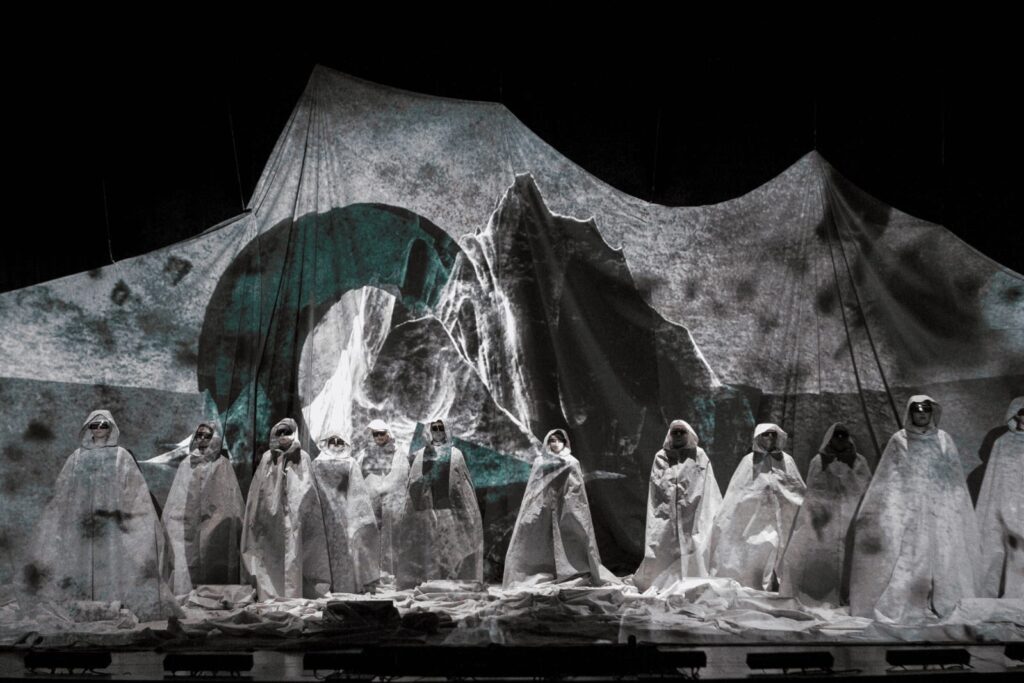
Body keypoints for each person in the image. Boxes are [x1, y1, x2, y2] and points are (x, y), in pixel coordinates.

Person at [27, 410, 179, 620]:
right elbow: (62, 491)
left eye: (103, 425)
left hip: (111, 523)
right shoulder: (76, 457)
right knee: (79, 561)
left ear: (111, 428)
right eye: (94, 425)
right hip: (82, 524)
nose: (99, 429)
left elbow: (135, 492)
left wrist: (136, 520)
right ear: (88, 428)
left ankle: (111, 602)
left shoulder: (121, 456)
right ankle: (84, 605)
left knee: (112, 561)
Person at [849, 396, 979, 622]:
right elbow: (889, 476)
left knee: (945, 555)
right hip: (910, 509)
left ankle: (946, 602)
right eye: (917, 409)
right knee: (912, 557)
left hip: (941, 509)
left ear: (932, 412)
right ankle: (910, 604)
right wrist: (894, 509)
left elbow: (953, 475)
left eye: (926, 409)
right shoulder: (899, 439)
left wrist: (955, 505)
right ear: (910, 412)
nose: (922, 413)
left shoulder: (944, 439)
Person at [778, 423, 871, 606]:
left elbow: (865, 489)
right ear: (830, 438)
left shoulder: (859, 461)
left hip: (851, 518)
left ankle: (847, 594)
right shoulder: (819, 461)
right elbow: (813, 492)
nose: (840, 439)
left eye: (843, 436)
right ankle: (819, 593)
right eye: (836, 436)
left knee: (850, 557)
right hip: (825, 520)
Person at [503, 429, 609, 589]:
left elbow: (576, 490)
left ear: (565, 442)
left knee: (571, 539)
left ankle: (573, 572)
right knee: (536, 540)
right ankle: (535, 573)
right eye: (552, 440)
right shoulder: (540, 462)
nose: (556, 443)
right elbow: (534, 487)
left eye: (559, 440)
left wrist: (572, 508)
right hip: (542, 506)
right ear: (547, 442)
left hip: (566, 507)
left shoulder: (572, 462)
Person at [240, 418, 331, 599]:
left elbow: (308, 489)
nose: (283, 436)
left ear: (294, 433)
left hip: (295, 517)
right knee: (270, 555)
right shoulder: (268, 458)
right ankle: (270, 593)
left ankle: (293, 593)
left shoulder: (303, 457)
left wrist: (299, 510)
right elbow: (257, 490)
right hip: (270, 519)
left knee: (294, 554)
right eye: (279, 432)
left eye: (287, 432)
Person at [709, 423, 805, 590]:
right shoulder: (749, 461)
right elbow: (737, 491)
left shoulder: (786, 461)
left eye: (773, 434)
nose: (770, 437)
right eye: (766, 434)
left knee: (783, 553)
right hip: (755, 521)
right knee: (757, 555)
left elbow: (796, 489)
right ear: (759, 436)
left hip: (782, 518)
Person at [633, 420, 722, 592]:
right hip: (667, 512)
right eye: (675, 432)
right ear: (670, 435)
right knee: (663, 545)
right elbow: (656, 487)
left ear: (688, 434)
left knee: (694, 544)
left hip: (693, 510)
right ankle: (661, 580)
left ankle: (693, 578)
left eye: (682, 432)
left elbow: (707, 483)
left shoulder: (699, 455)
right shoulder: (661, 456)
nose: (679, 435)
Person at [395, 419, 483, 589]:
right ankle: (428, 580)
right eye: (434, 428)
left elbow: (463, 484)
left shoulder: (455, 454)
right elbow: (414, 481)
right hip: (426, 509)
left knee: (450, 546)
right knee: (429, 548)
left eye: (440, 428)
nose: (437, 431)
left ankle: (450, 580)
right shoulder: (422, 454)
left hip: (450, 509)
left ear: (446, 430)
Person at [163, 420, 245, 595]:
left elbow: (229, 499)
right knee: (186, 559)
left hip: (216, 524)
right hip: (187, 523)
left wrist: (219, 520)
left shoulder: (222, 464)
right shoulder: (187, 463)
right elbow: (177, 496)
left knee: (213, 558)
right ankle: (186, 590)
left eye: (207, 436)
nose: (202, 439)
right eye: (199, 435)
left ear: (215, 439)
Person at [312, 430, 381, 593]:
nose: (336, 445)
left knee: (345, 549)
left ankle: (345, 586)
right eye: (332, 441)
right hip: (323, 515)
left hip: (345, 515)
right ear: (326, 443)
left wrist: (359, 517)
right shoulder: (316, 463)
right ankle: (322, 587)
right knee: (322, 550)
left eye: (340, 441)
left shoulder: (350, 463)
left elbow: (357, 491)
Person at [975, 397, 1024, 598]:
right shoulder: (1003, 443)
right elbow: (994, 482)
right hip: (1006, 506)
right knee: (1000, 549)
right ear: (1016, 415)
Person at [357, 419, 410, 578]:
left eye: (381, 433)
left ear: (387, 433)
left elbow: (401, 476)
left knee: (391, 536)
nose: (379, 437)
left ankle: (390, 572)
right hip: (371, 500)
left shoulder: (398, 452)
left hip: (391, 501)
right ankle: (370, 573)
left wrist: (384, 488)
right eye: (375, 434)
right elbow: (357, 475)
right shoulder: (365, 453)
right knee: (370, 534)